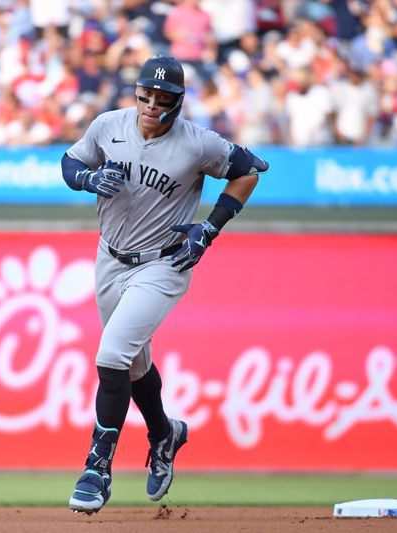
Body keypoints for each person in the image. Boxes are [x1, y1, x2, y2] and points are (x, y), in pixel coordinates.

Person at [61, 54, 268, 514]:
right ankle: (164, 433)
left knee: (111, 354)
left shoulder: (197, 143)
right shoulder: (108, 125)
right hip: (110, 258)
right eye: (145, 95)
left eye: (163, 98)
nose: (152, 104)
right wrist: (90, 178)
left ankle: (97, 467)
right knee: (133, 366)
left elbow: (250, 169)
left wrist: (208, 228)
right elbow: (70, 163)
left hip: (164, 262)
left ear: (179, 100)